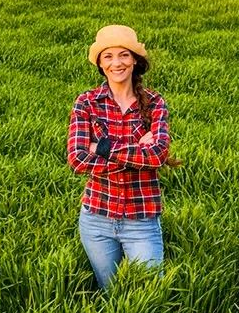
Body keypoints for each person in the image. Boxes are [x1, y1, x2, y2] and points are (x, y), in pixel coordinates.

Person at [67, 24, 178, 289]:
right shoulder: (87, 102)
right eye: (108, 56)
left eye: (124, 55)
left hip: (142, 218)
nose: (117, 63)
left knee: (150, 294)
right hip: (96, 217)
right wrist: (136, 151)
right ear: (101, 64)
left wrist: (102, 147)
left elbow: (157, 155)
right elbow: (77, 158)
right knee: (111, 292)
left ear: (135, 61)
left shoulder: (154, 103)